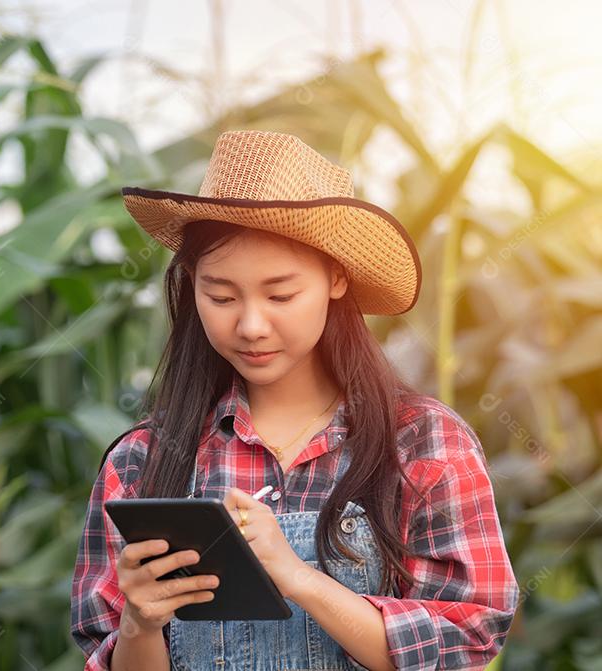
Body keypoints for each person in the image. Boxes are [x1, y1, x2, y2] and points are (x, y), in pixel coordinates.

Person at [69, 130, 520, 670]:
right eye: (221, 296)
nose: (251, 325)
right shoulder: (140, 462)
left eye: (280, 294)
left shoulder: (423, 443)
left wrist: (300, 579)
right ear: (191, 285)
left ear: (336, 278)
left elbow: (465, 639)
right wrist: (140, 622)